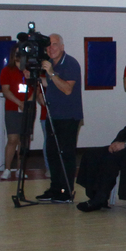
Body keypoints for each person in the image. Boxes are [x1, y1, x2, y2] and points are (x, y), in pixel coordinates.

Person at [35, 33, 83, 203]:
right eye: (48, 45)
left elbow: (67, 89)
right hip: (52, 115)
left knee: (66, 154)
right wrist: (36, 78)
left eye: (54, 44)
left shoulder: (70, 63)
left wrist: (51, 73)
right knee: (52, 153)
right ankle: (55, 188)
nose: (51, 48)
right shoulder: (51, 64)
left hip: (68, 117)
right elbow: (51, 84)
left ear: (62, 47)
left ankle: (67, 191)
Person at [0, 47, 29, 180]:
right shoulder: (6, 71)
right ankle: (7, 169)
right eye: (17, 52)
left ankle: (20, 169)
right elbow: (6, 90)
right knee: (12, 139)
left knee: (24, 141)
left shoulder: (29, 71)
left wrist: (26, 103)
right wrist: (19, 103)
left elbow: (35, 89)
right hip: (12, 108)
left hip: (28, 109)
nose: (19, 55)